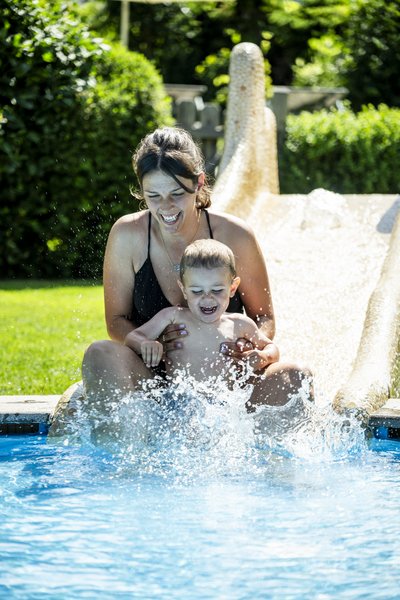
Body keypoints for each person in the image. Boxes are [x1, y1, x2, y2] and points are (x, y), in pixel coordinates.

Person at [79, 126, 312, 415]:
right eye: (153, 195)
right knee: (100, 353)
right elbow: (116, 321)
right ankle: (127, 453)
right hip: (153, 379)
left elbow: (264, 318)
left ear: (199, 183)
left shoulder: (235, 234)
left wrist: (245, 349)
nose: (166, 207)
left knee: (296, 375)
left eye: (176, 193)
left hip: (228, 383)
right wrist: (154, 342)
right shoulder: (128, 235)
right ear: (141, 190)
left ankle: (263, 456)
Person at [127, 239, 280, 387]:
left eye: (217, 290)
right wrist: (145, 344)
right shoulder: (173, 316)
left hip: (228, 405)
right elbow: (133, 337)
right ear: (184, 290)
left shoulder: (239, 324)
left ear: (232, 288)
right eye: (197, 291)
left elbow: (271, 347)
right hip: (179, 404)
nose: (207, 297)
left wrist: (264, 357)